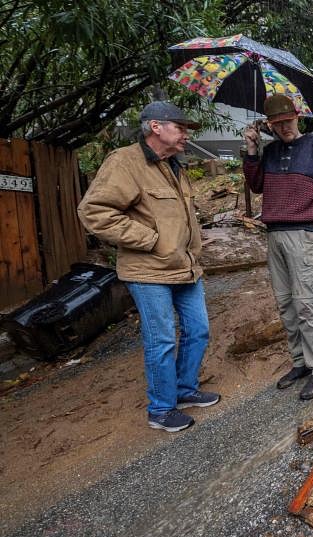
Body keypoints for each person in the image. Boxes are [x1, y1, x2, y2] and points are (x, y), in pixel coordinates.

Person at [78, 101, 219, 433]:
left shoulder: (174, 166)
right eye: (180, 128)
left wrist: (191, 248)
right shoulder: (125, 162)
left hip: (185, 267)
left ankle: (184, 390)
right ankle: (161, 408)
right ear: (156, 127)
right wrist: (151, 239)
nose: (185, 134)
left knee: (198, 330)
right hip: (148, 271)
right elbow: (94, 211)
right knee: (162, 340)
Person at [243, 94, 313, 400]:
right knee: (286, 303)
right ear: (270, 126)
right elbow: (256, 185)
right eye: (277, 124)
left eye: (288, 121)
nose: (285, 128)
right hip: (274, 234)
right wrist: (252, 150)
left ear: (297, 117)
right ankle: (300, 362)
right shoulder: (272, 150)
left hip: (305, 233)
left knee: (306, 303)